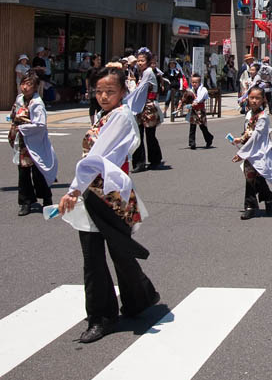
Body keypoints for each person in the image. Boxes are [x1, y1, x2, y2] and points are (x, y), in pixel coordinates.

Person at [57, 65, 160, 343]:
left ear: (123, 92)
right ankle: (101, 317)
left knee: (120, 254)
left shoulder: (121, 117)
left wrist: (73, 191)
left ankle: (139, 299)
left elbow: (97, 158)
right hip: (93, 192)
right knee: (92, 258)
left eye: (110, 91)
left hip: (111, 195)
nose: (103, 96)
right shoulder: (105, 114)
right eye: (98, 91)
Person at [231, 85, 272, 220]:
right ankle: (257, 203)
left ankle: (258, 202)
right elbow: (248, 132)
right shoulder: (249, 114)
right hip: (250, 150)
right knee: (251, 178)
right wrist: (240, 139)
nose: (254, 100)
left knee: (258, 178)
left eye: (257, 98)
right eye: (251, 97)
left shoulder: (263, 117)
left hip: (260, 152)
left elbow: (256, 137)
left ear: (263, 100)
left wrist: (241, 153)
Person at [9, 72, 57, 216]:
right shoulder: (19, 99)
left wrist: (22, 127)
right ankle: (25, 202)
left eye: (29, 84)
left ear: (35, 87)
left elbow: (40, 124)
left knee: (38, 171)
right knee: (23, 172)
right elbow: (14, 114)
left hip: (35, 141)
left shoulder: (37, 104)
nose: (25, 87)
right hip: (23, 141)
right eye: (23, 83)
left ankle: (46, 197)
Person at [127, 48, 163, 172]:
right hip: (142, 106)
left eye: (142, 60)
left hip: (148, 107)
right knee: (140, 134)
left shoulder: (147, 72)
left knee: (149, 135)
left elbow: (139, 90)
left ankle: (153, 160)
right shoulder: (142, 72)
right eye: (138, 61)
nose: (140, 63)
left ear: (147, 61)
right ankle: (141, 162)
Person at [177, 73, 215, 150]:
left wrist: (196, 101)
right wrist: (181, 105)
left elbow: (200, 97)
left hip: (200, 110)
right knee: (192, 126)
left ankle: (209, 138)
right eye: (192, 82)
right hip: (193, 110)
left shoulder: (203, 89)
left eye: (195, 82)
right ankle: (192, 143)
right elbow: (185, 98)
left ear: (199, 82)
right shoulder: (190, 90)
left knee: (203, 127)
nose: (194, 84)